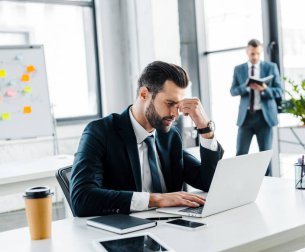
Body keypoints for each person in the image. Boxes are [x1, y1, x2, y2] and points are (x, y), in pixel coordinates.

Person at [70, 61, 224, 217]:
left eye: (178, 106)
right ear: (144, 94)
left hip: (173, 229)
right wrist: (156, 199)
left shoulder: (170, 136)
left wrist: (205, 128)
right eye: (170, 103)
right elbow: (81, 198)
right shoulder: (101, 132)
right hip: (126, 232)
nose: (175, 114)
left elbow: (209, 182)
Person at [230, 39, 282, 176]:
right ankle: (237, 183)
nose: (255, 57)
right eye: (252, 54)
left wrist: (264, 89)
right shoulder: (239, 69)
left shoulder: (271, 67)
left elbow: (279, 91)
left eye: (258, 53)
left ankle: (268, 185)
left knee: (265, 156)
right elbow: (233, 91)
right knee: (240, 154)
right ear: (247, 52)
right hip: (246, 118)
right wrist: (246, 87)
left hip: (264, 118)